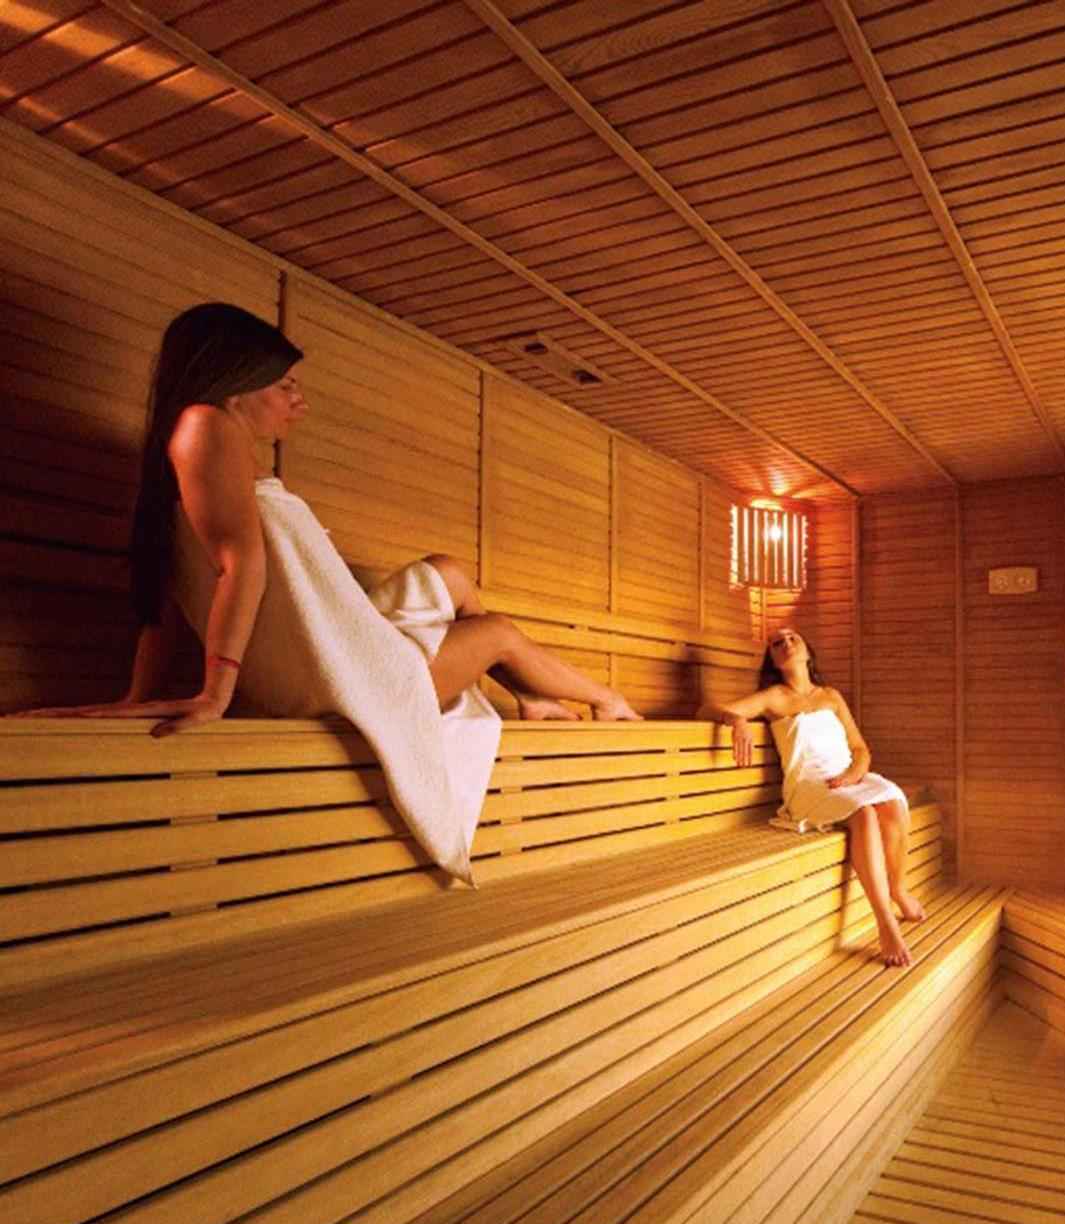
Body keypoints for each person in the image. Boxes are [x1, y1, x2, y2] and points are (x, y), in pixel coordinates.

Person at [16, 301, 640, 876]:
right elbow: (239, 562)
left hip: (335, 647)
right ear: (235, 385)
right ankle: (607, 699)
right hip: (346, 675)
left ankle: (529, 697)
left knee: (448, 571)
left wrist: (139, 692)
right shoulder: (207, 425)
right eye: (284, 385)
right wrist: (215, 693)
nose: (300, 400)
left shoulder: (192, 447)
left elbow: (162, 593)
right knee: (497, 632)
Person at [707, 628, 926, 966]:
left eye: (792, 638)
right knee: (865, 813)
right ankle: (885, 922)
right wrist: (736, 720)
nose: (785, 643)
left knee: (894, 802)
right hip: (809, 785)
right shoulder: (773, 697)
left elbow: (860, 749)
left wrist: (853, 775)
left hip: (847, 776)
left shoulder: (831, 696)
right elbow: (706, 709)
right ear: (773, 660)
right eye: (777, 643)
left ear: (808, 652)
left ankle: (898, 888)